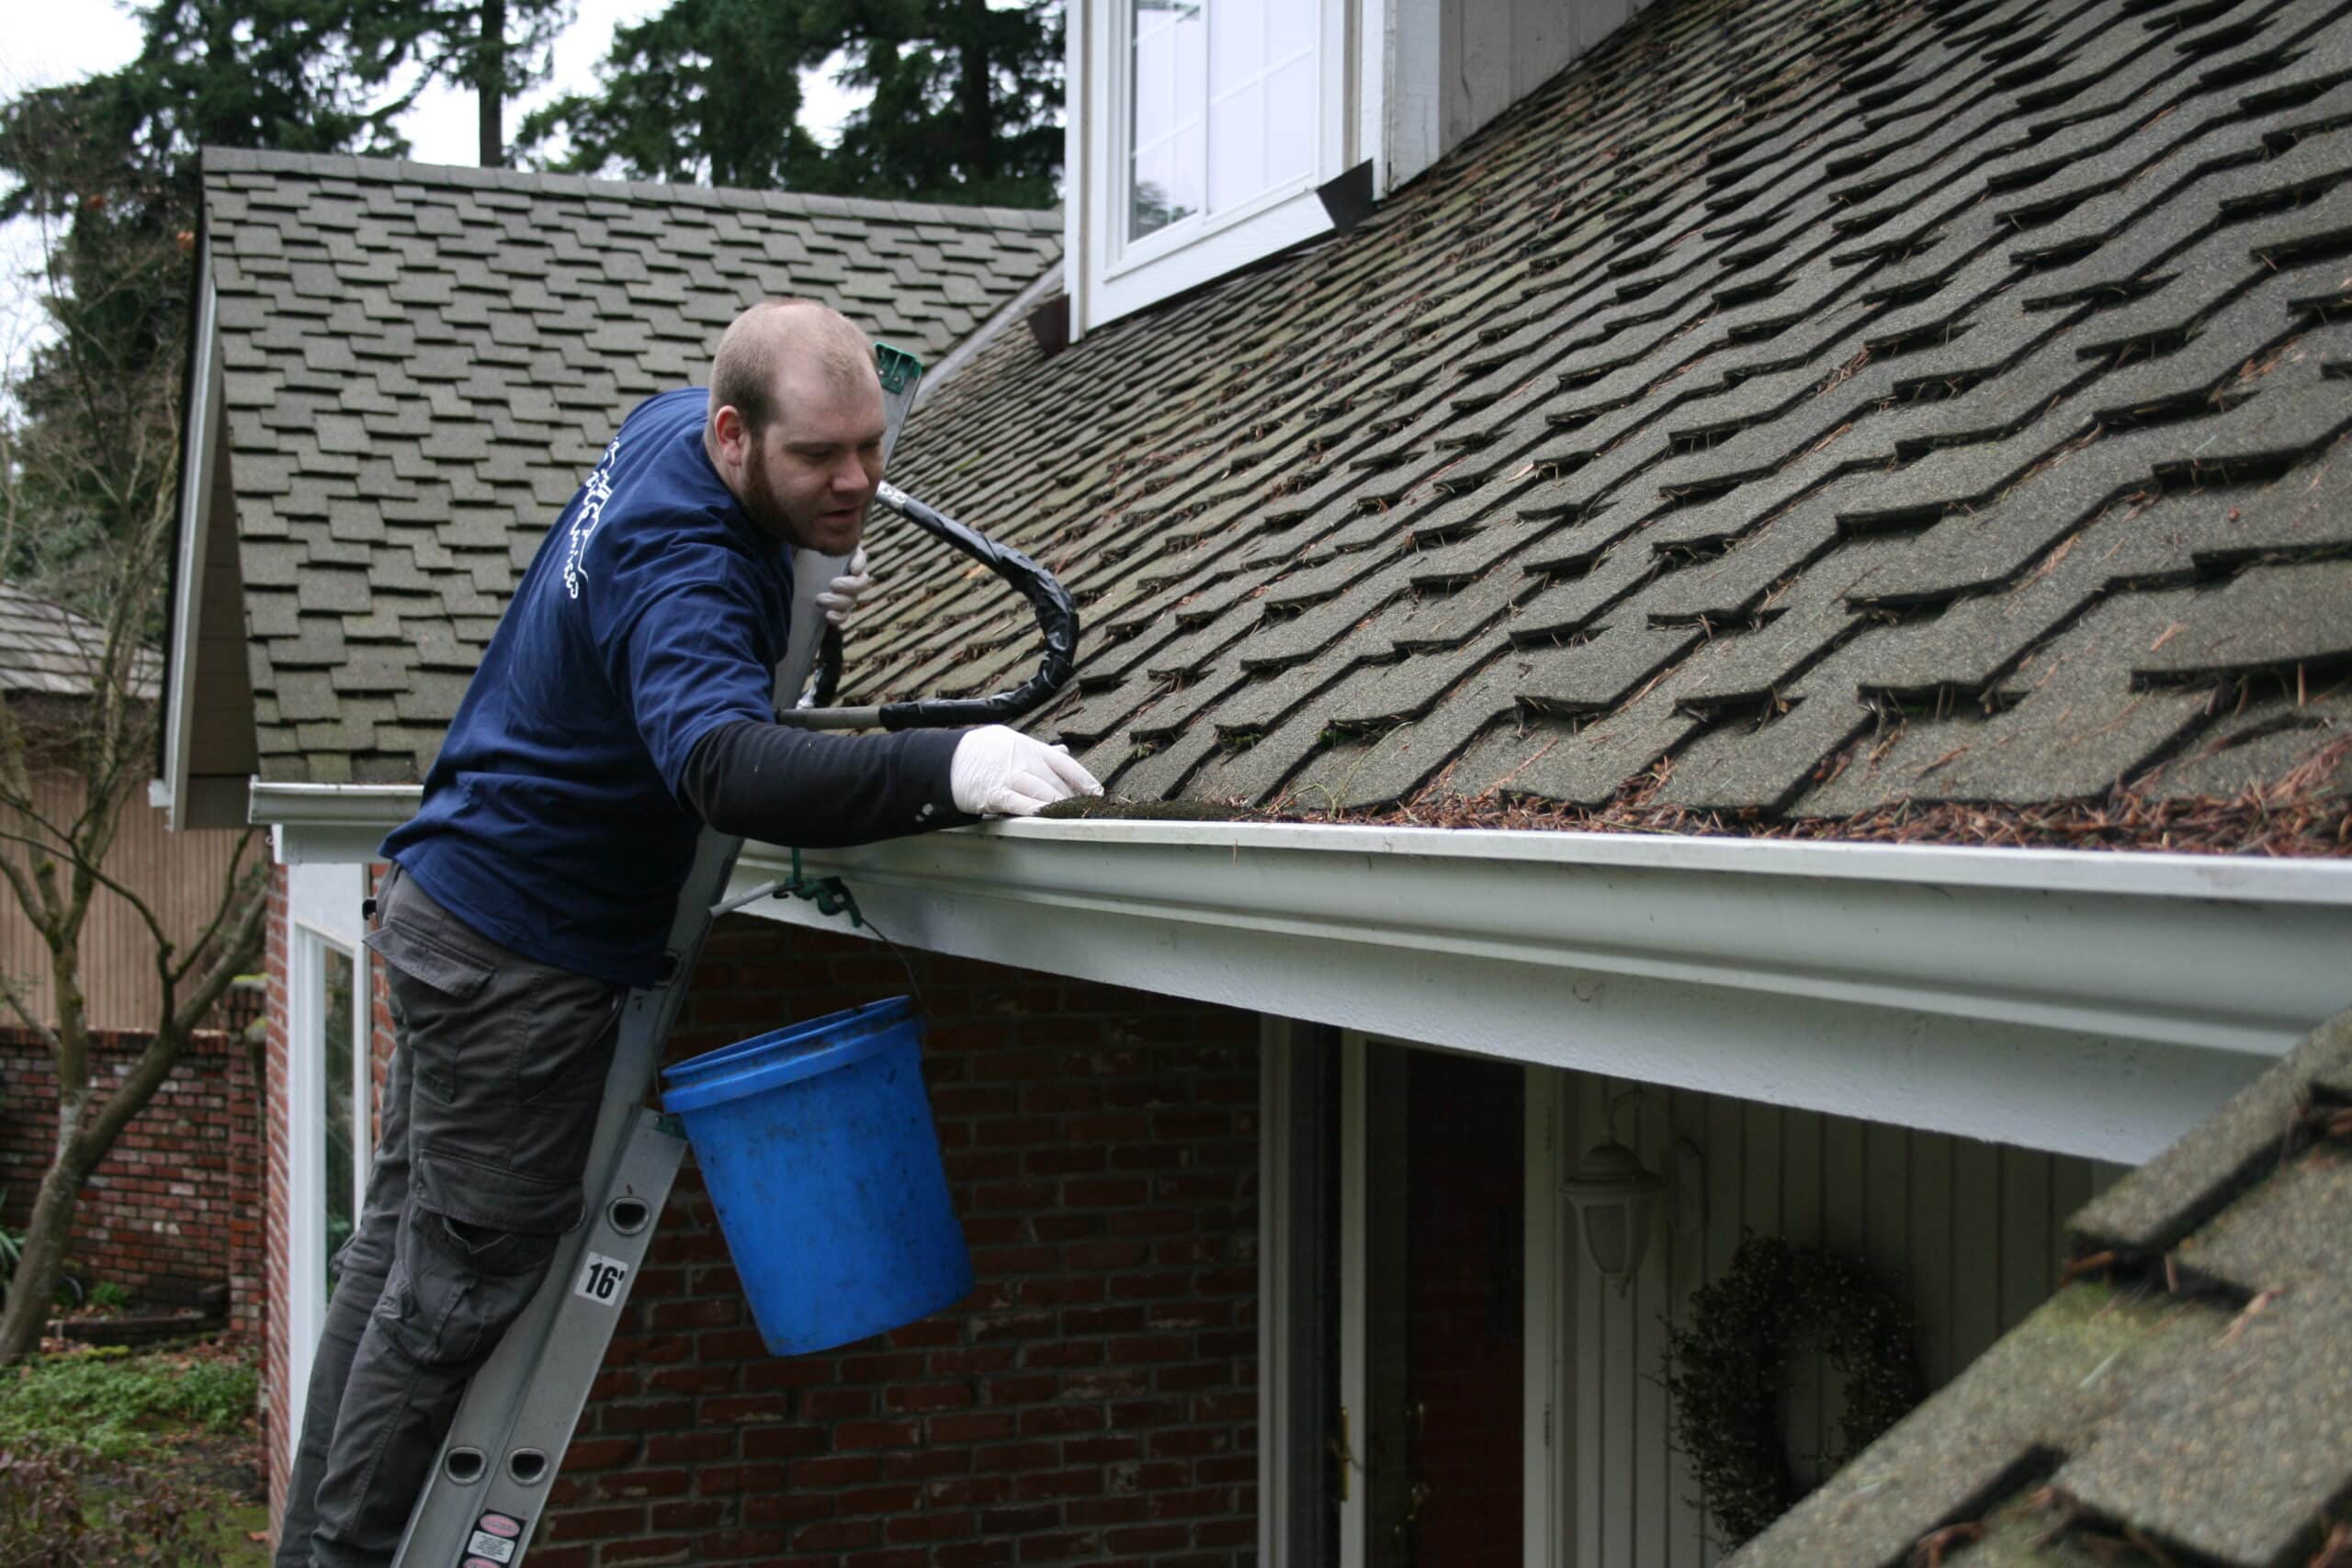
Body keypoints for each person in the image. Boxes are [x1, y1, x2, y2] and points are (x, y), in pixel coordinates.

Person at [277, 299, 1100, 1568]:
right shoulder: (687, 559)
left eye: (872, 449)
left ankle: (305, 1552)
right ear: (731, 435)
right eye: (820, 459)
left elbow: (696, 653)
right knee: (454, 1294)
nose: (861, 483)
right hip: (516, 960)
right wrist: (948, 767)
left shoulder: (669, 428)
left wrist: (795, 615)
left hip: (456, 898)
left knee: (398, 1259)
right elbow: (722, 764)